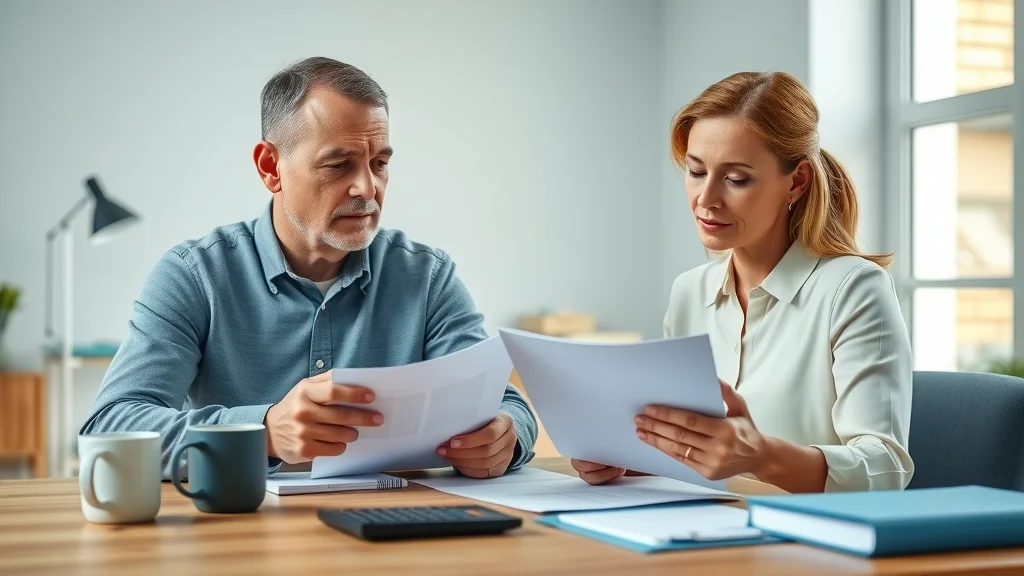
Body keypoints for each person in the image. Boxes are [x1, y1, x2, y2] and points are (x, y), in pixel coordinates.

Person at [80, 57, 537, 480]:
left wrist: (506, 436)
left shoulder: (427, 276)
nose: (367, 188)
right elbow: (110, 426)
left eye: (379, 163)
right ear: (270, 167)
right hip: (243, 530)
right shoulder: (194, 276)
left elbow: (501, 402)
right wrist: (262, 432)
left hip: (390, 526)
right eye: (338, 165)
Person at [572, 71, 913, 493]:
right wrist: (630, 455)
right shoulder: (689, 293)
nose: (705, 199)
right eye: (696, 171)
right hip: (704, 522)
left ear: (797, 181)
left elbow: (886, 469)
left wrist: (760, 456)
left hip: (807, 532)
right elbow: (691, 454)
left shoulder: (854, 289)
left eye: (736, 179)